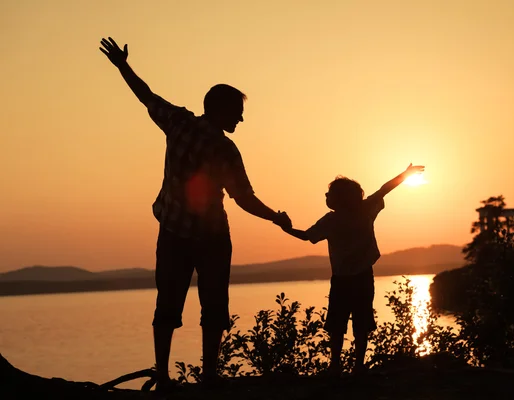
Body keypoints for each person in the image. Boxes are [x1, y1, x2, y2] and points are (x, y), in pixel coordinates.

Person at [99, 37, 292, 391]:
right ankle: (208, 377)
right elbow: (244, 198)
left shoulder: (178, 122)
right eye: (237, 112)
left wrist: (122, 66)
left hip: (175, 231)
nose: (241, 118)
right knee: (213, 308)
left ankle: (164, 376)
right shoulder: (224, 148)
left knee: (168, 305)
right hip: (210, 238)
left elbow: (146, 95)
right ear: (219, 109)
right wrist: (275, 217)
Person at [280, 163, 424, 375]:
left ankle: (337, 366)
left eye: (329, 194)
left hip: (344, 280)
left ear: (341, 198)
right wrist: (405, 175)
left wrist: (285, 227)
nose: (326, 197)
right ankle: (355, 366)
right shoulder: (362, 211)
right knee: (360, 322)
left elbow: (306, 236)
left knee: (340, 324)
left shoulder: (336, 218)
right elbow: (385, 189)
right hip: (359, 278)